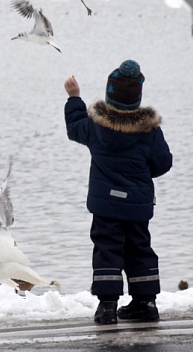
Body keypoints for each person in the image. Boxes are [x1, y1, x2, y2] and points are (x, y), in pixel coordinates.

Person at [63, 60, 173, 324]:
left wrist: (74, 98)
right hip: (137, 205)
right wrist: (140, 176)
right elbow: (163, 163)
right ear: (138, 97)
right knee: (140, 249)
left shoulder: (96, 126)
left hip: (106, 206)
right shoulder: (149, 130)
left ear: (109, 93)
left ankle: (107, 307)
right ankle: (145, 304)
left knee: (107, 250)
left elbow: (74, 127)